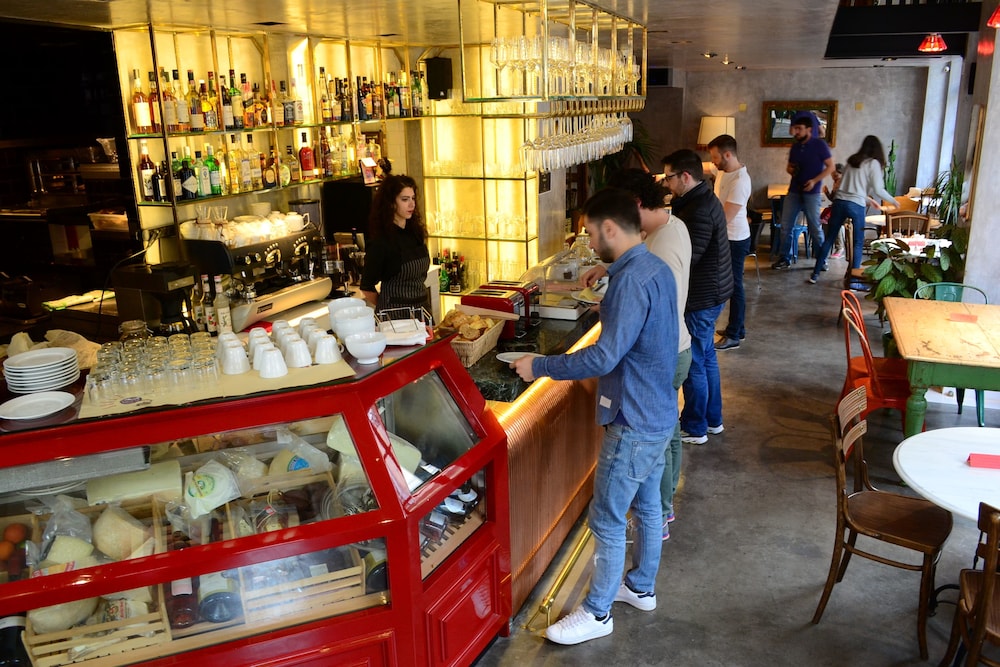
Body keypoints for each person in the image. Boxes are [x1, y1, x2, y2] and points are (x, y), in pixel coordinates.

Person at [512, 187, 678, 646]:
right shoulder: (654, 268)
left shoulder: (630, 281)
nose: (589, 240)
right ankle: (641, 587)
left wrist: (539, 365)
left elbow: (604, 357)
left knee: (605, 518)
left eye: (589, 232)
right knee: (647, 506)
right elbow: (644, 332)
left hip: (633, 419)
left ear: (609, 228)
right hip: (659, 411)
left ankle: (597, 611)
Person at [582, 169, 692, 540]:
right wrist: (610, 266)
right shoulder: (664, 233)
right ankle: (660, 515)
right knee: (665, 437)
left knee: (654, 447)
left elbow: (609, 353)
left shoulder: (661, 249)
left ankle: (659, 515)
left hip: (663, 359)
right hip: (673, 354)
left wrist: (541, 365)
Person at [661, 149, 732, 446]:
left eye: (669, 178)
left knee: (695, 362)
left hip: (703, 295)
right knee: (706, 357)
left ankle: (695, 426)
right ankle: (712, 420)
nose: (666, 184)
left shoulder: (698, 209)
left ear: (685, 176)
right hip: (712, 292)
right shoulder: (700, 199)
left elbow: (688, 257)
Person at [808, 135, 900, 284]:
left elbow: (848, 188)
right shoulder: (873, 163)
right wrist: (894, 201)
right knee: (858, 243)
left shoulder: (852, 160)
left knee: (829, 239)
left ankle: (815, 274)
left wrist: (869, 200)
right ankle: (853, 280)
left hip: (839, 202)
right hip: (856, 205)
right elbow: (878, 189)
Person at [771, 111, 835, 270]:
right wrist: (792, 170)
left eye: (799, 129)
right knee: (786, 226)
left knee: (814, 227)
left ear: (809, 129)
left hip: (812, 194)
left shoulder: (820, 145)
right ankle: (785, 258)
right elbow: (789, 167)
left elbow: (831, 167)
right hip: (794, 191)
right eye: (795, 128)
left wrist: (814, 181)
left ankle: (821, 261)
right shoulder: (795, 147)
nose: (796, 132)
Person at [359, 174, 431, 315]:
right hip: (395, 317)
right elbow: (366, 287)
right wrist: (388, 305)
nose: (412, 204)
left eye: (413, 198)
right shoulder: (381, 242)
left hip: (422, 310)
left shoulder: (415, 233)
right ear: (391, 202)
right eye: (405, 199)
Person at [707, 134, 752, 351]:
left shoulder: (740, 181)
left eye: (715, 157)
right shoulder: (724, 170)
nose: (713, 162)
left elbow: (724, 219)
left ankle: (734, 334)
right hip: (728, 238)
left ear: (727, 155)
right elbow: (705, 167)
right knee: (733, 285)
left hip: (734, 239)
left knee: (734, 286)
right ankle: (738, 328)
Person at [822, 163, 846, 259]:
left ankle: (839, 248)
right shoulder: (836, 182)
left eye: (836, 175)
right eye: (832, 175)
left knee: (835, 222)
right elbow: (833, 199)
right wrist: (827, 192)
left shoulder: (844, 183)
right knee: (824, 220)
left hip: (844, 210)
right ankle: (827, 244)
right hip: (836, 208)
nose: (834, 177)